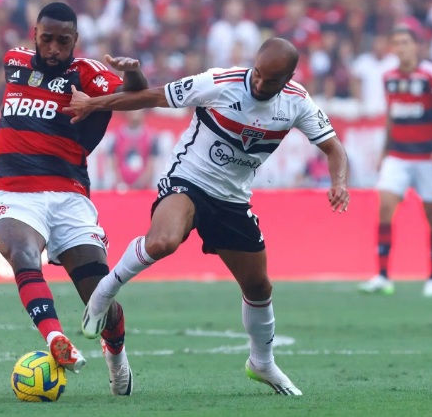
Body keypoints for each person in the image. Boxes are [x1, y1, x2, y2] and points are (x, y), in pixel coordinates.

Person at [67, 37, 350, 396]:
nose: (260, 84)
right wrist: (94, 103)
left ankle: (262, 363)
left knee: (259, 287)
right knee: (163, 241)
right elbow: (153, 96)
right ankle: (104, 293)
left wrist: (340, 182)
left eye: (271, 81)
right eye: (257, 74)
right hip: (189, 178)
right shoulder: (220, 82)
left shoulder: (297, 102)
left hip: (232, 198)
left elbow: (334, 147)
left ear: (289, 78)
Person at [0, 2, 148, 395]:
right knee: (21, 253)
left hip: (68, 194)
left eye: (62, 41)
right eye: (46, 39)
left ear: (75, 41)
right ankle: (55, 340)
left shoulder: (88, 73)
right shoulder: (14, 60)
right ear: (35, 34)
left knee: (97, 295)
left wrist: (130, 75)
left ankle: (116, 356)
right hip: (13, 190)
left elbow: (138, 97)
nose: (53, 48)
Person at [359, 27, 432, 297]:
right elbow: (392, 113)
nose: (401, 48)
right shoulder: (389, 78)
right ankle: (383, 275)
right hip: (398, 155)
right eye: (396, 43)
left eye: (405, 42)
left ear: (416, 46)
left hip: (428, 157)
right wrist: (384, 150)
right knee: (385, 206)